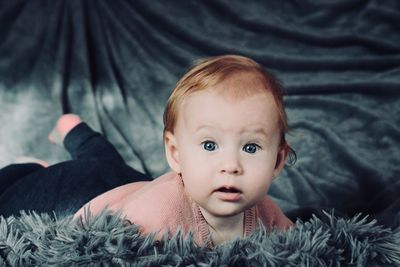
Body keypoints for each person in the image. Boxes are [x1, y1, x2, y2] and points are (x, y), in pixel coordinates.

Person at [73, 55, 296, 247]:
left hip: (132, 184)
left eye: (250, 147)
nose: (230, 166)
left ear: (277, 162)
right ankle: (71, 131)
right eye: (210, 145)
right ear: (175, 153)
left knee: (112, 167)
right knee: (91, 169)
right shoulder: (152, 218)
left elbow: (300, 246)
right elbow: (107, 252)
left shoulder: (265, 213)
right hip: (78, 194)